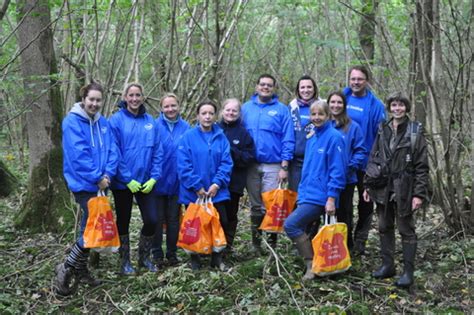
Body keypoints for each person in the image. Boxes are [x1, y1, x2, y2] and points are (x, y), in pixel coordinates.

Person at [54, 82, 119, 295]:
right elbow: (78, 155)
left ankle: (80, 269)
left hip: (102, 184)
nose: (94, 103)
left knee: (87, 227)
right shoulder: (72, 122)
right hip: (84, 185)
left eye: (98, 100)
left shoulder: (103, 123)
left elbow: (112, 151)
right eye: (91, 99)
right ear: (84, 99)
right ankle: (67, 266)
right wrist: (97, 177)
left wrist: (108, 175)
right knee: (95, 229)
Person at [363, 92, 428, 288]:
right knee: (383, 226)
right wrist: (368, 184)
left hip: (405, 188)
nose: (397, 109)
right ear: (389, 108)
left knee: (406, 229)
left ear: (406, 108)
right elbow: (373, 158)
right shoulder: (383, 129)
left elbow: (422, 166)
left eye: (401, 105)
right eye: (394, 105)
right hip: (383, 186)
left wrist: (419, 194)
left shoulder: (415, 131)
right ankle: (387, 265)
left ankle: (408, 273)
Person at [284, 100, 346, 281]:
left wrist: (332, 198)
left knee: (291, 225)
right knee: (307, 229)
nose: (316, 118)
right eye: (313, 114)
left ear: (328, 116)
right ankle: (320, 261)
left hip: (321, 197)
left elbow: (337, 171)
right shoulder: (312, 136)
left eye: (321, 114)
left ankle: (311, 264)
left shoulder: (334, 137)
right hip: (306, 192)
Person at [109, 83, 163, 275]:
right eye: (130, 95)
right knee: (123, 220)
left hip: (146, 181)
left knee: (152, 219)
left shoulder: (151, 122)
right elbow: (114, 151)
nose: (134, 99)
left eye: (137, 95)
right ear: (125, 97)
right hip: (123, 183)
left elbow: (158, 151)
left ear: (142, 97)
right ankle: (124, 262)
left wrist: (154, 178)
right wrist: (126, 178)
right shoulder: (115, 121)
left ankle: (144, 258)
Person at [241, 74, 295, 253]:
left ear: (273, 88)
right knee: (256, 206)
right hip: (251, 165)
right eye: (262, 84)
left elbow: (288, 138)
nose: (265, 87)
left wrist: (284, 165)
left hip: (273, 165)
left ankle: (272, 245)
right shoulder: (246, 109)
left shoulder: (281, 110)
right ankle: (256, 244)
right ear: (256, 87)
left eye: (269, 85)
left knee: (272, 205)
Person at [177, 100, 233, 270]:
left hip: (217, 191)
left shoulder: (221, 137)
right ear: (197, 116)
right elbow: (183, 164)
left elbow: (226, 162)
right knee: (194, 225)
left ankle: (216, 257)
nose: (207, 117)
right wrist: (196, 186)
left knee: (220, 221)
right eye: (204, 113)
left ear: (215, 116)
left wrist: (217, 184)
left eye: (211, 113)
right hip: (194, 192)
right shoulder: (188, 137)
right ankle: (195, 257)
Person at [343, 65, 385, 255]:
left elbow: (380, 136)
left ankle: (360, 242)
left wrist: (377, 162)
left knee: (365, 203)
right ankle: (345, 241)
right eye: (353, 79)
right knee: (343, 204)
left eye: (360, 79)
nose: (356, 82)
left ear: (366, 81)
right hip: (344, 161)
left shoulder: (375, 105)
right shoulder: (342, 98)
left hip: (366, 163)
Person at [151, 93, 190, 267]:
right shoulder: (153, 125)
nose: (170, 109)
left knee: (173, 219)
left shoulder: (187, 127)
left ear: (179, 106)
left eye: (173, 105)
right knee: (157, 219)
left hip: (178, 182)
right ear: (161, 108)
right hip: (157, 181)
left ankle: (172, 253)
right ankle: (157, 254)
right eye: (166, 106)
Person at [328, 91, 366, 250]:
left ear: (344, 106)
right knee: (327, 213)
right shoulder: (322, 124)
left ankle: (346, 248)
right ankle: (328, 247)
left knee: (344, 213)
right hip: (325, 179)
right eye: (333, 102)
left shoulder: (353, 127)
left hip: (346, 179)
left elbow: (361, 150)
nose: (335, 106)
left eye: (339, 103)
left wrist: (349, 166)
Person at [218, 98, 255, 255]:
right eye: (228, 110)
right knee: (218, 216)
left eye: (234, 110)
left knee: (230, 215)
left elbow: (249, 157)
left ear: (239, 113)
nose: (230, 113)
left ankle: (227, 246)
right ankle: (213, 244)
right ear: (222, 111)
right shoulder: (214, 129)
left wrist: (233, 150)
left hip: (234, 182)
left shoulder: (243, 133)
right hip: (215, 183)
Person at [288, 75, 319, 191]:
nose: (306, 90)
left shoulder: (322, 106)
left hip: (315, 159)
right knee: (295, 195)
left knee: (313, 194)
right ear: (298, 90)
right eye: (303, 87)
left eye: (309, 87)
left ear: (314, 89)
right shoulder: (292, 107)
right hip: (296, 162)